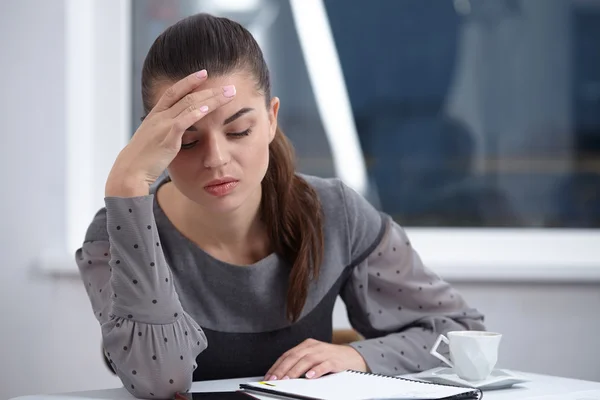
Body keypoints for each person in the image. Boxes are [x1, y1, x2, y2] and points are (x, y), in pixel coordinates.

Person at [77, 13, 485, 399]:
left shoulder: (335, 213)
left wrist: (359, 357)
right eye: (187, 139)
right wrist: (127, 185)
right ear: (155, 140)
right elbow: (158, 381)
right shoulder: (117, 232)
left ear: (271, 119)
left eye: (239, 130)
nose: (216, 159)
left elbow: (458, 332)